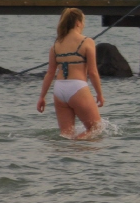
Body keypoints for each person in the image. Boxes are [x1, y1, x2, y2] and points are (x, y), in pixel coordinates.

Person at [36, 8, 105, 139]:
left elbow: (50, 73)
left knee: (66, 135)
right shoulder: (87, 42)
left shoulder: (56, 45)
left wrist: (42, 97)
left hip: (59, 89)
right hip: (77, 87)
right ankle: (79, 146)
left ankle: (67, 156)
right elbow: (93, 72)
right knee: (96, 128)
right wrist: (99, 94)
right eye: (83, 22)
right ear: (78, 22)